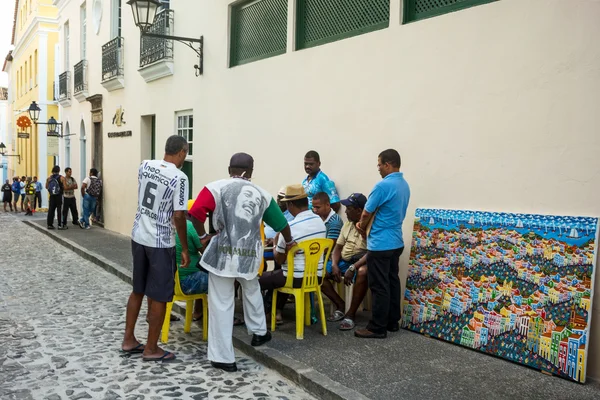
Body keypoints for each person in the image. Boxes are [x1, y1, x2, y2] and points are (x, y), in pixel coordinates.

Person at [188, 153, 295, 373]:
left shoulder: (214, 188)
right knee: (251, 288)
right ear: (251, 170)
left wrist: (202, 237)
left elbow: (196, 213)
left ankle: (224, 357)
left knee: (221, 303)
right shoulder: (263, 194)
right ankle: (259, 331)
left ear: (229, 168)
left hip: (222, 255)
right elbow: (282, 223)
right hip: (249, 256)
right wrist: (290, 240)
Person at [122, 135, 190, 362]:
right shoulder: (179, 177)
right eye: (185, 154)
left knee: (138, 290)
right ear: (181, 152)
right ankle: (151, 348)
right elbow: (179, 215)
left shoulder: (145, 165)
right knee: (160, 296)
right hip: (160, 242)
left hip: (139, 235)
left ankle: (129, 339)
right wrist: (185, 248)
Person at [355, 149, 410, 339]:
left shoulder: (382, 186)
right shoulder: (404, 185)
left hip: (380, 243)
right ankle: (392, 321)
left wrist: (361, 226)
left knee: (379, 285)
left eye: (379, 164)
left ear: (388, 164)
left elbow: (365, 212)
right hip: (396, 240)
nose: (378, 168)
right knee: (392, 281)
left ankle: (377, 327)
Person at [259, 185, 327, 323]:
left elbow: (278, 259)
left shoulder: (291, 228)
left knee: (257, 281)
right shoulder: (320, 222)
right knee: (280, 273)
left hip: (295, 277)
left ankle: (264, 315)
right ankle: (276, 312)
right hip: (316, 276)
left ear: (290, 204)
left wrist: (276, 241)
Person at [320, 193, 369, 330]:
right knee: (319, 274)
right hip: (344, 261)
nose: (345, 211)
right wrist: (335, 264)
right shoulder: (347, 224)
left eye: (349, 208)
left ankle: (351, 314)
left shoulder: (369, 225)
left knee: (363, 273)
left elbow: (372, 252)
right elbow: (337, 248)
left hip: (361, 261)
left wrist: (353, 267)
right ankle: (340, 304)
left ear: (359, 210)